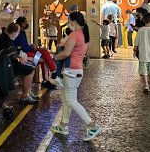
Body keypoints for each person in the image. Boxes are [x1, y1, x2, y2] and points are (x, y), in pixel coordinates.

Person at [51, 12, 101, 142]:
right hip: (77, 70)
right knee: (66, 98)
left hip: (71, 71)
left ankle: (92, 125)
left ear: (73, 21)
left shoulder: (74, 34)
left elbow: (66, 53)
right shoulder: (84, 34)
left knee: (71, 100)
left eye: (69, 20)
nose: (68, 23)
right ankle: (63, 125)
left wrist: (54, 57)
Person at [0, 22, 37, 104]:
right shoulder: (7, 41)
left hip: (5, 64)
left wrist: (20, 59)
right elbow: (10, 57)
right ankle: (24, 96)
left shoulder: (4, 37)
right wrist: (21, 60)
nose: (18, 34)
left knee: (28, 66)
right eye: (18, 32)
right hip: (5, 67)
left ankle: (27, 92)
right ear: (14, 33)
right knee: (31, 70)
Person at [13, 17, 57, 89]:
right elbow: (23, 47)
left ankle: (50, 75)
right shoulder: (20, 33)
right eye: (25, 22)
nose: (27, 23)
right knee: (45, 58)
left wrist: (31, 46)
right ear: (22, 24)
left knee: (44, 51)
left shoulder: (22, 32)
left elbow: (23, 45)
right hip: (24, 54)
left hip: (27, 51)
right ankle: (51, 74)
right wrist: (32, 48)